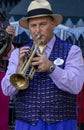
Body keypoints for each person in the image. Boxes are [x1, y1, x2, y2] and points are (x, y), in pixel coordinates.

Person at [1, 0, 84, 130]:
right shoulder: (18, 53)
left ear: (53, 25)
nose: (37, 30)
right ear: (29, 28)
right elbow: (7, 91)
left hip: (61, 123)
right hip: (26, 122)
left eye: (42, 24)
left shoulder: (73, 50)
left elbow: (76, 86)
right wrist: (18, 69)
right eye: (33, 26)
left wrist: (51, 68)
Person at [0, 12, 14, 130]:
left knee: (1, 117)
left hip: (0, 73)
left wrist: (10, 39)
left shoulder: (4, 21)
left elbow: (7, 54)